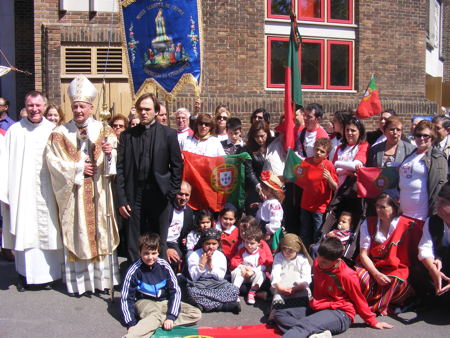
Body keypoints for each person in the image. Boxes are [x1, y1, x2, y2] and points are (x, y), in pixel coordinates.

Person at [46, 75, 120, 296]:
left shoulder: (104, 130)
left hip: (99, 192)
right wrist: (78, 168)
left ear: (91, 107)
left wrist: (109, 155)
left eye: (83, 106)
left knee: (101, 232)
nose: (78, 110)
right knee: (79, 233)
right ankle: (81, 283)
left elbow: (112, 161)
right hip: (76, 195)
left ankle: (102, 281)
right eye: (75, 106)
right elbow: (54, 163)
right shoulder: (59, 134)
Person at [0, 91, 63, 292]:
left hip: (48, 194)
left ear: (44, 106)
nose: (34, 109)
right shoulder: (15, 131)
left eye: (38, 105)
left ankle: (49, 277)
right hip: (22, 194)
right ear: (25, 107)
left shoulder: (54, 131)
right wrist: (6, 194)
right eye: (30, 105)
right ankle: (24, 276)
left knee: (49, 232)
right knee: (26, 233)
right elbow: (4, 165)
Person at [273, 237, 393, 338]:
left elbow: (358, 299)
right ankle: (314, 333)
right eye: (318, 257)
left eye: (324, 262)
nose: (319, 263)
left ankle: (306, 329)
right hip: (317, 306)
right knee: (280, 314)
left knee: (304, 325)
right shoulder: (317, 262)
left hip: (340, 313)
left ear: (337, 261)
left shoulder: (347, 275)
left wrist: (372, 321)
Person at [116, 93, 183, 264]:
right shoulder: (127, 136)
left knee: (158, 238)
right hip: (134, 196)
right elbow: (121, 169)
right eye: (141, 109)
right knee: (134, 240)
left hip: (159, 195)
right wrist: (122, 199)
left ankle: (157, 280)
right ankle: (134, 278)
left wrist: (172, 193)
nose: (143, 113)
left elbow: (177, 166)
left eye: (147, 109)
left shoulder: (168, 134)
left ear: (156, 111)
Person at [121, 233, 201, 338]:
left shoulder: (164, 266)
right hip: (144, 302)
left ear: (158, 253)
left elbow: (175, 292)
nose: (150, 257)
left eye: (154, 253)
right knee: (154, 315)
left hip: (163, 301)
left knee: (195, 313)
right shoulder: (134, 270)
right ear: (139, 253)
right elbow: (126, 298)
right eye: (146, 253)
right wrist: (131, 323)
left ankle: (150, 324)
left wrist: (171, 317)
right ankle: (131, 336)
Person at [399, 120, 447, 220]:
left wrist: (434, 214)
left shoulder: (437, 157)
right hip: (404, 213)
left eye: (425, 135)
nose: (421, 138)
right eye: (418, 135)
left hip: (421, 215)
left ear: (432, 138)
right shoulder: (410, 155)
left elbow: (439, 186)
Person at [185, 228, 241, 313]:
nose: (211, 246)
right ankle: (224, 306)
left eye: (214, 244)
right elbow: (194, 278)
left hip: (217, 284)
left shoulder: (220, 256)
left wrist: (211, 266)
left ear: (218, 244)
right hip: (200, 284)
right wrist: (201, 264)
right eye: (208, 243)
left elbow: (220, 277)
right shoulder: (194, 255)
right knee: (191, 292)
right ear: (202, 243)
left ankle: (205, 305)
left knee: (234, 290)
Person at [296, 138, 338, 248]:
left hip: (319, 208)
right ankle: (304, 256)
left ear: (327, 154)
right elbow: (299, 178)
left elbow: (335, 187)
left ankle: (316, 258)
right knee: (304, 233)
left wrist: (329, 178)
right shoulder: (307, 162)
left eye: (322, 151)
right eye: (317, 149)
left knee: (318, 235)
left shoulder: (328, 166)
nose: (318, 153)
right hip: (305, 204)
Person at [417, 182, 450, 304]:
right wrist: (433, 269)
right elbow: (425, 248)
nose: (437, 205)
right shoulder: (432, 221)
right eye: (437, 201)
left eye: (442, 202)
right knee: (422, 266)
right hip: (445, 268)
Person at [230, 227, 272, 305]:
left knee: (261, 274)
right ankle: (235, 292)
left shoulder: (260, 253)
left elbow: (264, 266)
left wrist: (253, 271)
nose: (249, 245)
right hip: (242, 274)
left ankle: (252, 292)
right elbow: (234, 261)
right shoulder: (242, 250)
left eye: (252, 243)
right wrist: (241, 267)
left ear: (259, 243)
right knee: (236, 271)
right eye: (246, 242)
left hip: (252, 275)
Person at [241, 120, 274, 216]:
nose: (260, 139)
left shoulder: (273, 145)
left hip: (272, 188)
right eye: (257, 137)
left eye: (262, 136)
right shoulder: (248, 149)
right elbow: (249, 171)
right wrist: (259, 187)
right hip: (255, 189)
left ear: (267, 133)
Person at [271, 234, 312, 310]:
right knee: (278, 299)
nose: (286, 252)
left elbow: (306, 277)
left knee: (304, 297)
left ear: (297, 249)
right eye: (284, 249)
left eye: (290, 250)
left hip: (299, 286)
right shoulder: (279, 256)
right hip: (282, 285)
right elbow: (275, 271)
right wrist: (279, 287)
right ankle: (273, 313)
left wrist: (296, 288)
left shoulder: (302, 259)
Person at [166, 181, 194, 272]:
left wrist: (185, 238)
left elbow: (186, 231)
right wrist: (165, 249)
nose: (183, 198)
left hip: (175, 243)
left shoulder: (189, 212)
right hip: (161, 241)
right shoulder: (166, 208)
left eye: (187, 195)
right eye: (180, 194)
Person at [256, 170, 284, 243]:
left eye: (262, 188)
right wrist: (259, 205)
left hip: (269, 232)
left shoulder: (274, 204)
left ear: (269, 190)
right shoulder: (268, 201)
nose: (261, 189)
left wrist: (269, 232)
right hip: (263, 227)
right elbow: (266, 210)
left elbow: (275, 219)